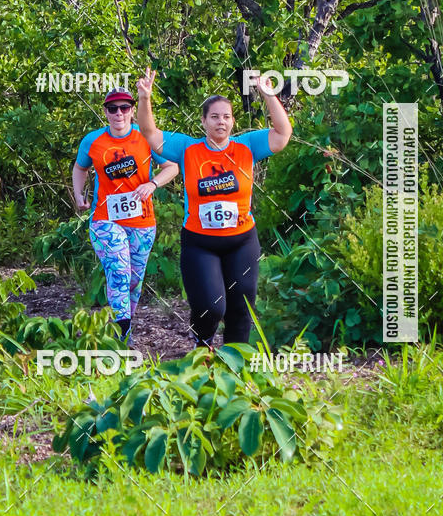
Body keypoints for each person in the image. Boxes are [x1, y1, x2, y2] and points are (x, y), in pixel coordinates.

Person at [136, 68, 292, 347]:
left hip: (242, 240)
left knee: (242, 307)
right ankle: (202, 346)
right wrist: (145, 98)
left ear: (233, 122)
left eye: (227, 116)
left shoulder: (246, 146)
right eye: (215, 116)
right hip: (200, 243)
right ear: (204, 121)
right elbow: (150, 133)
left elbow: (282, 134)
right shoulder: (188, 149)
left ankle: (234, 365)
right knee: (212, 307)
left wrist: (268, 94)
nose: (221, 122)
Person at [72, 88, 179, 340]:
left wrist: (152, 184)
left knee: (133, 281)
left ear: (132, 111)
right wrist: (78, 194)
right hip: (105, 220)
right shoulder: (93, 141)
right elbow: (80, 167)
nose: (119, 113)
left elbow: (172, 167)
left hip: (142, 222)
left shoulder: (147, 138)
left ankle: (124, 331)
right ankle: (120, 336)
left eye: (124, 108)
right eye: (112, 109)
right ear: (105, 112)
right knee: (119, 272)